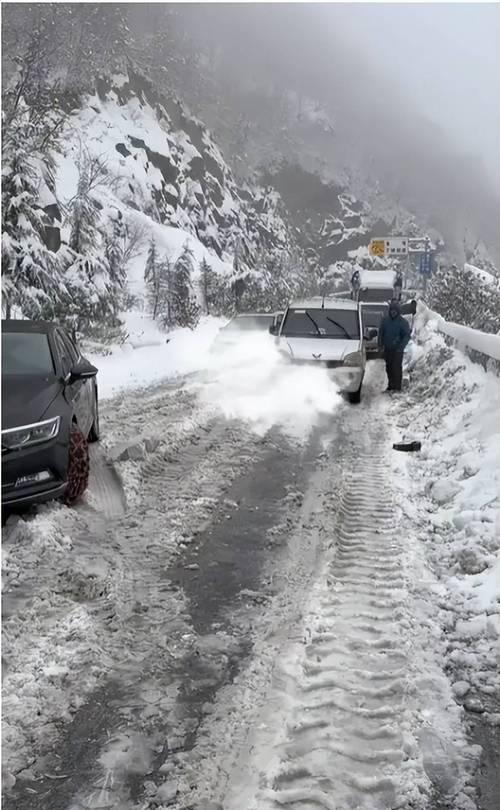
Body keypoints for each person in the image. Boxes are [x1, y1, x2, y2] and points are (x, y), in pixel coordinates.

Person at [378, 300, 411, 392]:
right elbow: (380, 333)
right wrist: (380, 345)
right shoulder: (385, 320)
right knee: (389, 368)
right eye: (391, 310)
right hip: (387, 349)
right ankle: (391, 385)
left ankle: (397, 387)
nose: (393, 312)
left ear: (398, 311)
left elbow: (407, 336)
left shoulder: (403, 322)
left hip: (398, 350)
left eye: (395, 310)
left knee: (396, 368)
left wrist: (401, 346)